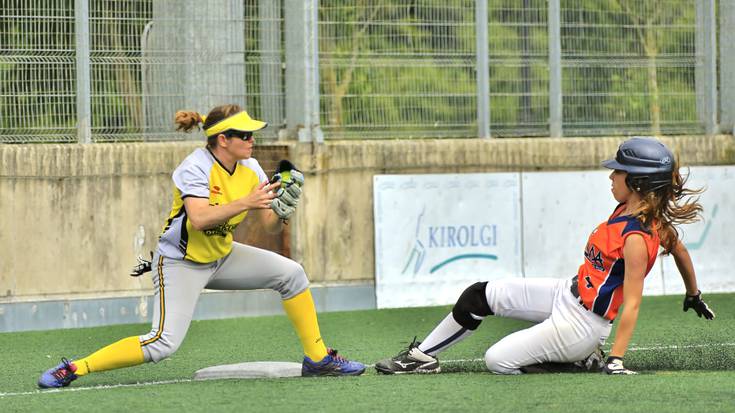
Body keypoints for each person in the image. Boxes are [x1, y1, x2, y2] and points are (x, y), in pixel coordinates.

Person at [38, 104, 365, 388]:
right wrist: (248, 201)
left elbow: (267, 223)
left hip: (221, 256)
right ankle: (75, 367)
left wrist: (282, 210)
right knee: (162, 343)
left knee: (292, 274)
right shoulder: (195, 167)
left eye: (253, 135)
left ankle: (318, 358)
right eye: (246, 135)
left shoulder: (249, 168)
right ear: (223, 140)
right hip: (180, 263)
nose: (253, 141)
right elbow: (199, 219)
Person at [375, 137, 715, 376]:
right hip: (564, 294)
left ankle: (583, 360)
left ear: (639, 181)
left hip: (583, 325)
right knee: (479, 295)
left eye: (619, 171)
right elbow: (681, 251)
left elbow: (634, 303)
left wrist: (616, 358)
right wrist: (693, 294)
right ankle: (421, 358)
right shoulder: (629, 211)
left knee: (497, 361)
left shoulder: (638, 238)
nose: (611, 176)